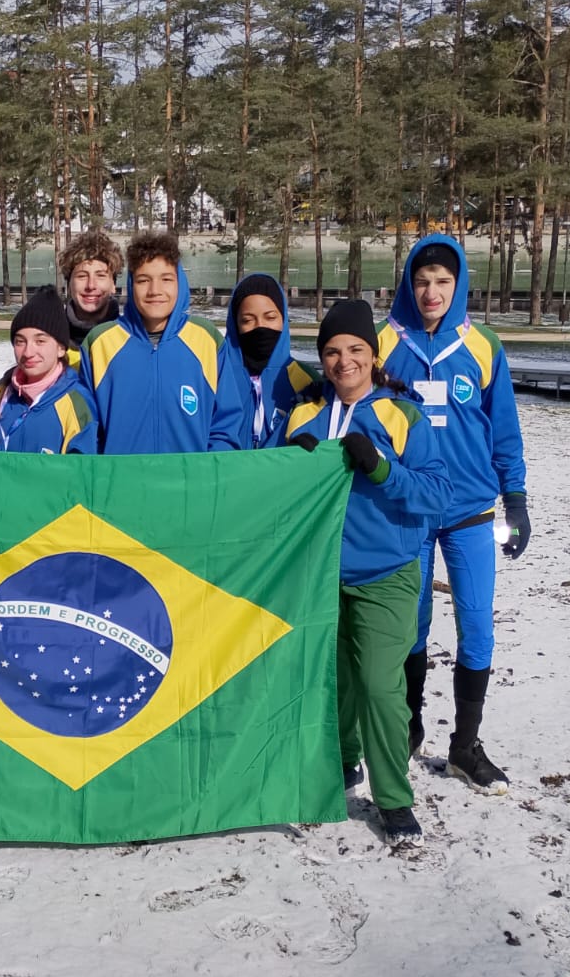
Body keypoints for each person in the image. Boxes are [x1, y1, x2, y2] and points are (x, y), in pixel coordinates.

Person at [286, 299, 450, 849]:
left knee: (380, 685)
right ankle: (343, 762)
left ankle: (395, 801)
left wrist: (381, 469)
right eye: (331, 352)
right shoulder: (304, 415)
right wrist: (287, 459)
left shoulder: (401, 415)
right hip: (320, 573)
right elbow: (273, 490)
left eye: (355, 349)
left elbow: (436, 494)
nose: (343, 361)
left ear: (373, 355)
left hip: (386, 573)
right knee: (335, 683)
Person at [377, 234, 529, 793]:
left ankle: (466, 745)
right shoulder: (385, 342)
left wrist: (515, 499)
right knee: (409, 625)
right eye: (422, 281)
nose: (431, 291)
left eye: (442, 281)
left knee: (476, 624)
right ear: (408, 284)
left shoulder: (483, 346)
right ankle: (408, 727)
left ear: (459, 283)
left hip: (468, 511)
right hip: (409, 508)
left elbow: (504, 429)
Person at [80, 230, 249, 453]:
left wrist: (208, 476)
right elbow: (86, 426)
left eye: (166, 279)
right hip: (120, 484)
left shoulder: (206, 340)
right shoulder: (100, 343)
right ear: (131, 285)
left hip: (190, 484)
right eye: (143, 280)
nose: (155, 291)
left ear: (180, 283)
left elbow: (225, 424)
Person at [0, 285, 98, 454]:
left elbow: (81, 472)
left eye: (40, 341)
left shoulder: (76, 404)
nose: (28, 352)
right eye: (20, 341)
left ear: (61, 348)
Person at [225, 273, 315, 447]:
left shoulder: (306, 380)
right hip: (227, 472)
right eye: (247, 320)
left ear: (284, 319)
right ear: (235, 325)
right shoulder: (216, 376)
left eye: (270, 317)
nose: (260, 326)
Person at [59, 229, 123, 360]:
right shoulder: (51, 341)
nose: (91, 285)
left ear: (113, 285)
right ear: (69, 284)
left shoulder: (129, 339)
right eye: (82, 276)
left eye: (100, 276)